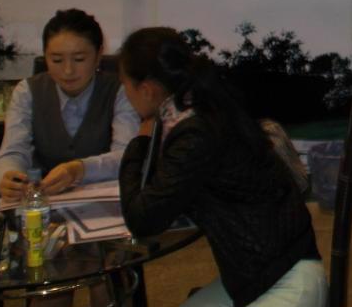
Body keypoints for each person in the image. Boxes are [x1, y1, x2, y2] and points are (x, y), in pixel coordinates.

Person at [117, 27, 326, 307]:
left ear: (147, 90)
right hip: (270, 268)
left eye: (125, 84)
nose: (125, 93)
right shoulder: (203, 104)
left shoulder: (192, 131)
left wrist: (140, 141)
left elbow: (142, 220)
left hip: (284, 280)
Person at [0, 8, 139, 200]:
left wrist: (79, 169)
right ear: (45, 56)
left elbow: (125, 157)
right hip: (43, 201)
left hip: (101, 200)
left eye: (79, 59)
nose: (68, 70)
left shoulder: (120, 90)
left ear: (98, 55)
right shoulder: (27, 91)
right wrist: (7, 177)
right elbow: (13, 151)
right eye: (57, 60)